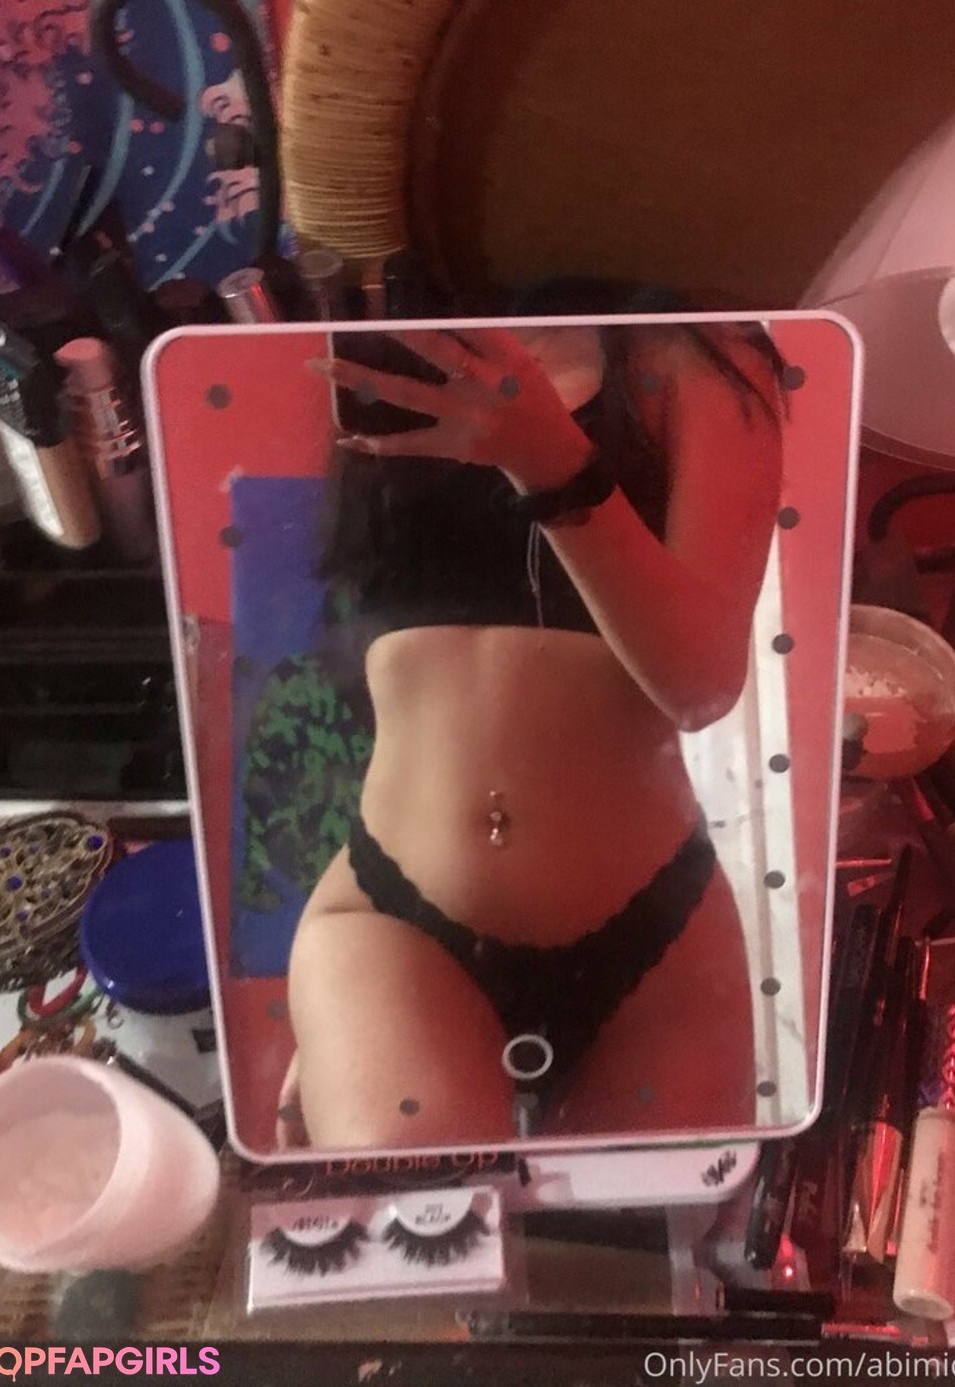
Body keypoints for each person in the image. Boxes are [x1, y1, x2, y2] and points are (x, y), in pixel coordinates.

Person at [279, 288, 785, 1150]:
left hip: (652, 935)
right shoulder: (386, 320)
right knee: (423, 1217)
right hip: (395, 919)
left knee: (638, 1235)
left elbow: (700, 686)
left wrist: (554, 466)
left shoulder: (699, 354)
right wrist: (348, 1024)